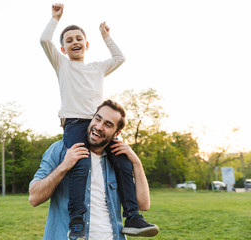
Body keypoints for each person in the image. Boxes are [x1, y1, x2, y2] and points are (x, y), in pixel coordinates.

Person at [40, 3, 157, 239]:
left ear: (86, 44)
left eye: (79, 38)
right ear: (62, 48)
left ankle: (132, 216)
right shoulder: (62, 65)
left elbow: (119, 57)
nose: (74, 42)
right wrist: (55, 19)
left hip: (98, 125)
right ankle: (76, 223)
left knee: (123, 161)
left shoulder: (97, 68)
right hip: (75, 125)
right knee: (80, 165)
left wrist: (107, 36)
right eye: (69, 40)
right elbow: (44, 41)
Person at [29, 100, 159, 240]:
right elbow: (34, 198)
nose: (99, 126)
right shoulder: (60, 150)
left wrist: (137, 163)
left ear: (117, 133)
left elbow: (144, 204)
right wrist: (64, 166)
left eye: (108, 125)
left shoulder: (118, 162)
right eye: (97, 119)